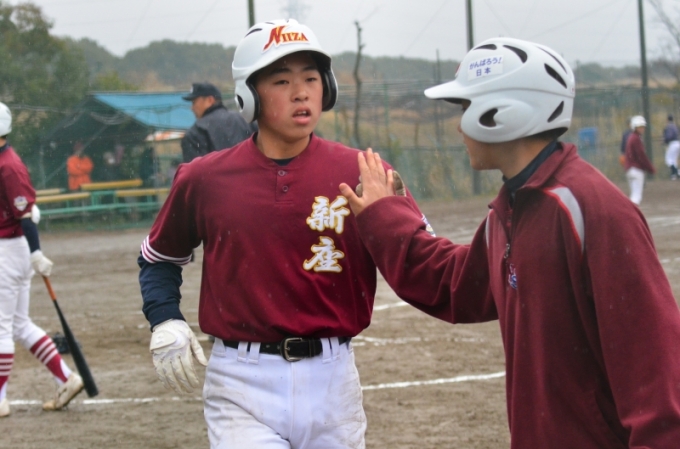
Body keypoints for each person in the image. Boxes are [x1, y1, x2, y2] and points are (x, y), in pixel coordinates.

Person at [339, 38, 680, 448]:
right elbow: (453, 285)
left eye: (466, 108)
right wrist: (387, 215)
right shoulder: (512, 207)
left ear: (501, 114)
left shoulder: (591, 209)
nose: (460, 126)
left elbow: (656, 376)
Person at [138, 19, 428, 448]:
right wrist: (164, 317)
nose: (301, 92)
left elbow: (423, 257)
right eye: (281, 81)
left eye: (311, 78)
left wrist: (394, 219)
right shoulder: (205, 178)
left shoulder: (364, 172)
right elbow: (159, 258)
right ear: (249, 95)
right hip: (241, 381)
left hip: (334, 382)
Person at [0, 102, 84, 417]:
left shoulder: (8, 165)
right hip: (13, 249)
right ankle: (66, 378)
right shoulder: (5, 161)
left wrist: (36, 252)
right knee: (19, 325)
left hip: (10, 250)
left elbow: (24, 214)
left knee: (2, 327)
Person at [180, 81, 256, 162]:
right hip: (250, 170)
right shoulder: (245, 120)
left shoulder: (196, 132)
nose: (192, 108)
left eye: (194, 102)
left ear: (210, 100)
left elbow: (195, 169)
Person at [624, 115, 656, 205]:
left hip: (629, 169)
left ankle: (629, 210)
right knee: (637, 196)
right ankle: (630, 212)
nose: (642, 129)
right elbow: (641, 155)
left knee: (634, 194)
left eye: (643, 127)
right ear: (634, 127)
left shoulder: (631, 137)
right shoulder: (636, 138)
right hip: (636, 170)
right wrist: (650, 168)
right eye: (639, 127)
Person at [663, 114, 679, 180]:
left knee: (668, 159)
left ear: (667, 119)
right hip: (678, 143)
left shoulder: (669, 126)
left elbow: (669, 136)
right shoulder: (675, 126)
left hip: (673, 144)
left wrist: (665, 141)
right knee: (673, 160)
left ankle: (677, 172)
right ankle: (673, 175)